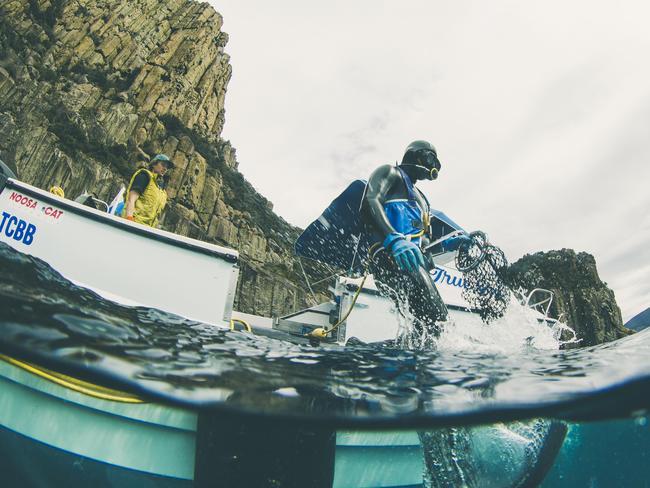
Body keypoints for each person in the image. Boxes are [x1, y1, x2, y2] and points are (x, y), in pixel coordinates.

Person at [361, 140, 468, 338]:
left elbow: (425, 242)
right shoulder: (389, 173)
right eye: (431, 159)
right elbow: (370, 201)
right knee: (438, 325)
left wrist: (449, 244)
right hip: (391, 257)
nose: (433, 166)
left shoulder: (423, 199)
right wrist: (393, 239)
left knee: (423, 329)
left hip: (415, 263)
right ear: (417, 156)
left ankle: (368, 351)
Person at [122, 154, 174, 227]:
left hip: (147, 230)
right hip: (134, 224)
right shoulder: (144, 176)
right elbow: (131, 199)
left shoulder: (161, 190)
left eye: (167, 167)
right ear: (154, 164)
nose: (165, 168)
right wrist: (129, 220)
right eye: (163, 164)